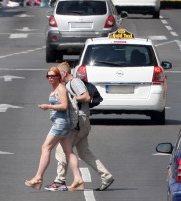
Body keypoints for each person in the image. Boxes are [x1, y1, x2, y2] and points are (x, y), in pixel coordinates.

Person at [47, 62, 114, 192]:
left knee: (62, 150)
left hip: (79, 122)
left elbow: (86, 97)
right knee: (84, 153)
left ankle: (60, 181)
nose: (56, 77)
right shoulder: (69, 84)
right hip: (82, 122)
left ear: (64, 73)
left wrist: (72, 98)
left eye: (58, 74)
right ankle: (106, 176)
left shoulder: (74, 82)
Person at [24, 66, 85, 191]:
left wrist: (48, 106)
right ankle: (78, 179)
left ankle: (38, 178)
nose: (50, 78)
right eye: (49, 76)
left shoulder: (61, 88)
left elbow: (64, 106)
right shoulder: (56, 88)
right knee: (69, 152)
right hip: (62, 123)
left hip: (60, 124)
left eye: (53, 76)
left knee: (45, 148)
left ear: (59, 77)